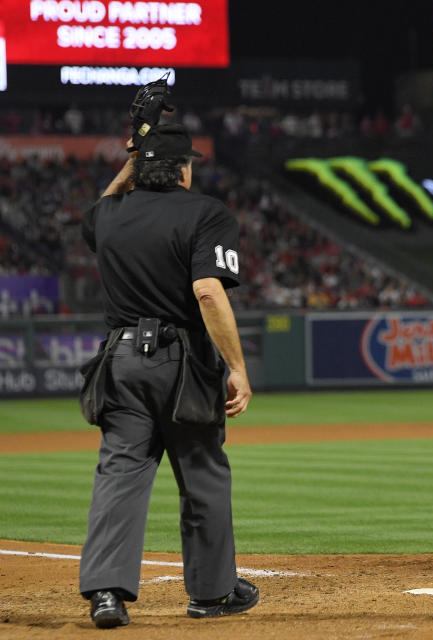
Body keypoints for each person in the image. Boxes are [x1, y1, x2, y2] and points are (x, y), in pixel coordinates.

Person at [77, 124, 258, 628]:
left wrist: (133, 156)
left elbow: (98, 209)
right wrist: (237, 368)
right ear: (184, 168)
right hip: (182, 361)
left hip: (121, 361)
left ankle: (106, 595)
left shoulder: (107, 214)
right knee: (202, 473)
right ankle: (212, 592)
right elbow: (207, 291)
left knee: (119, 474)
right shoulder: (207, 212)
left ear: (136, 166)